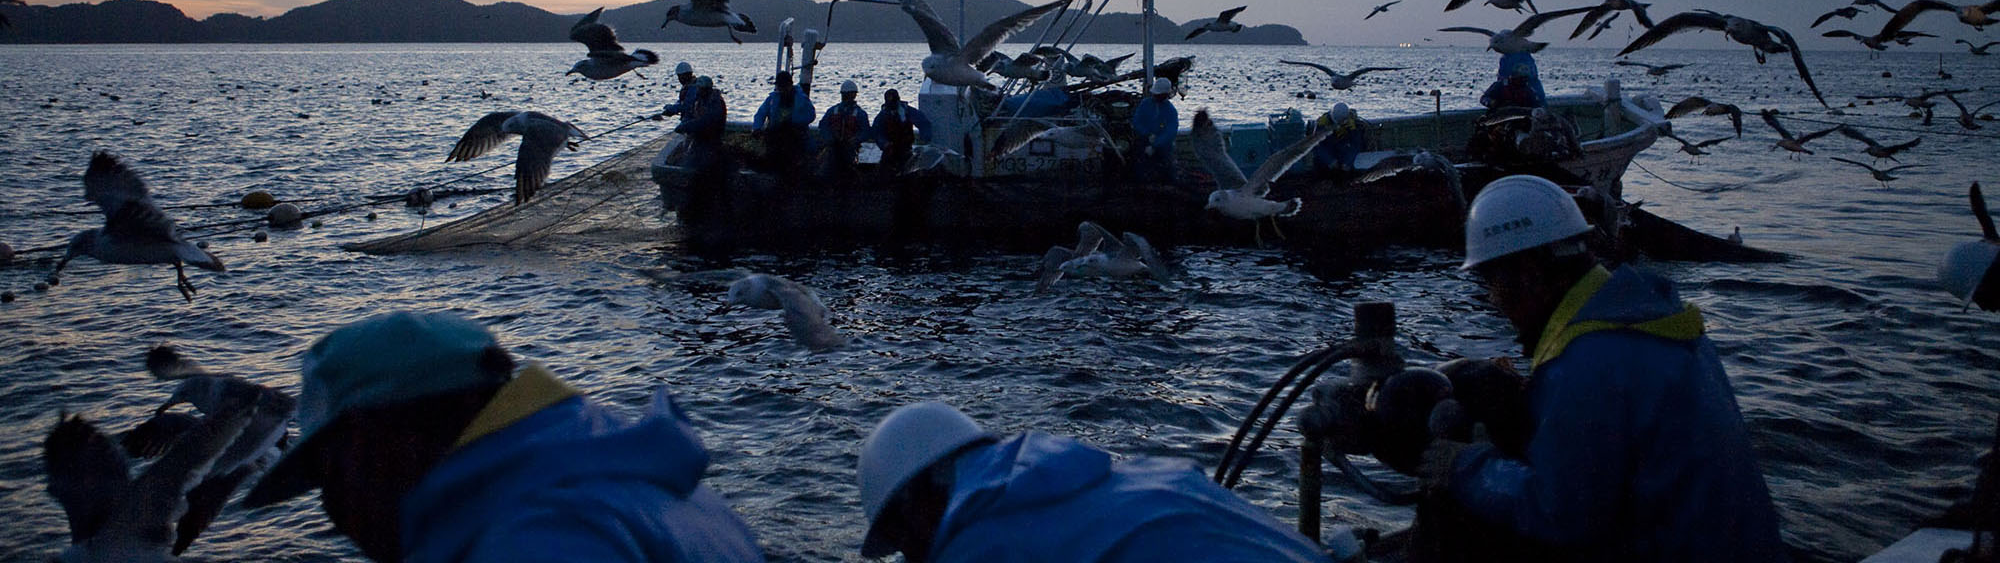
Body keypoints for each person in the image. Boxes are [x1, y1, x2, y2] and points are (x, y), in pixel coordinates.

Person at [1419, 175, 1784, 560]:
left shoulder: (1586, 365)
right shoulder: (1657, 322)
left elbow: (1561, 515)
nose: (1493, 300)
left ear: (1528, 275)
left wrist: (1467, 467)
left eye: (1491, 281)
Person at [243, 311, 765, 562]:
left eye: (329, 475)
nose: (334, 513)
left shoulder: (537, 541)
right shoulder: (644, 476)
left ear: (375, 442)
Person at [856, 401, 1327, 562]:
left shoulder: (981, 542)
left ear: (920, 498)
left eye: (902, 539)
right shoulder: (1099, 477)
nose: (911, 556)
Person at [751, 71, 815, 179]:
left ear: (790, 85)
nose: (782, 89)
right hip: (775, 134)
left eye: (784, 86)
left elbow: (811, 115)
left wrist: (794, 122)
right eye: (780, 86)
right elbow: (761, 113)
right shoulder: (773, 98)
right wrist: (757, 128)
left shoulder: (801, 99)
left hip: (796, 135)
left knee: (790, 156)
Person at [818, 80, 871, 180]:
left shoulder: (859, 113)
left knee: (848, 168)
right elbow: (823, 126)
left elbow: (865, 132)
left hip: (850, 148)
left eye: (850, 94)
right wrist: (830, 138)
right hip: (833, 146)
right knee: (827, 166)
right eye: (845, 95)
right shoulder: (833, 111)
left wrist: (855, 139)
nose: (847, 97)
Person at [871, 89, 932, 174]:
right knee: (884, 173)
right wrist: (884, 144)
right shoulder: (883, 115)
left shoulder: (907, 111)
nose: (892, 104)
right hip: (889, 150)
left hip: (906, 150)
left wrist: (925, 137)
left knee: (907, 172)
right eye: (890, 102)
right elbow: (877, 132)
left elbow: (923, 122)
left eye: (894, 101)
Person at [1129, 79, 1178, 182]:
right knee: (1139, 164)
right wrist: (1147, 134)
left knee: (1168, 170)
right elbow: (1137, 121)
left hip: (1162, 144)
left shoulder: (1170, 110)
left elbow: (1171, 132)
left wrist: (1155, 144)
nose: (1156, 97)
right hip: (1144, 139)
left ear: (1166, 95)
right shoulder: (1145, 104)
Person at [1312, 102, 1368, 176]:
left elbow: (1356, 145)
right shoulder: (1322, 123)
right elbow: (1317, 146)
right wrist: (1330, 161)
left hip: (1343, 152)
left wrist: (1348, 162)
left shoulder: (1351, 124)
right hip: (1327, 153)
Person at [1480, 53, 1545, 110]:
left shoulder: (1529, 89)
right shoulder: (1500, 85)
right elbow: (1483, 98)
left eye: (1526, 69)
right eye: (1520, 68)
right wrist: (1491, 103)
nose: (1523, 72)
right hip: (1500, 117)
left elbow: (1538, 104)